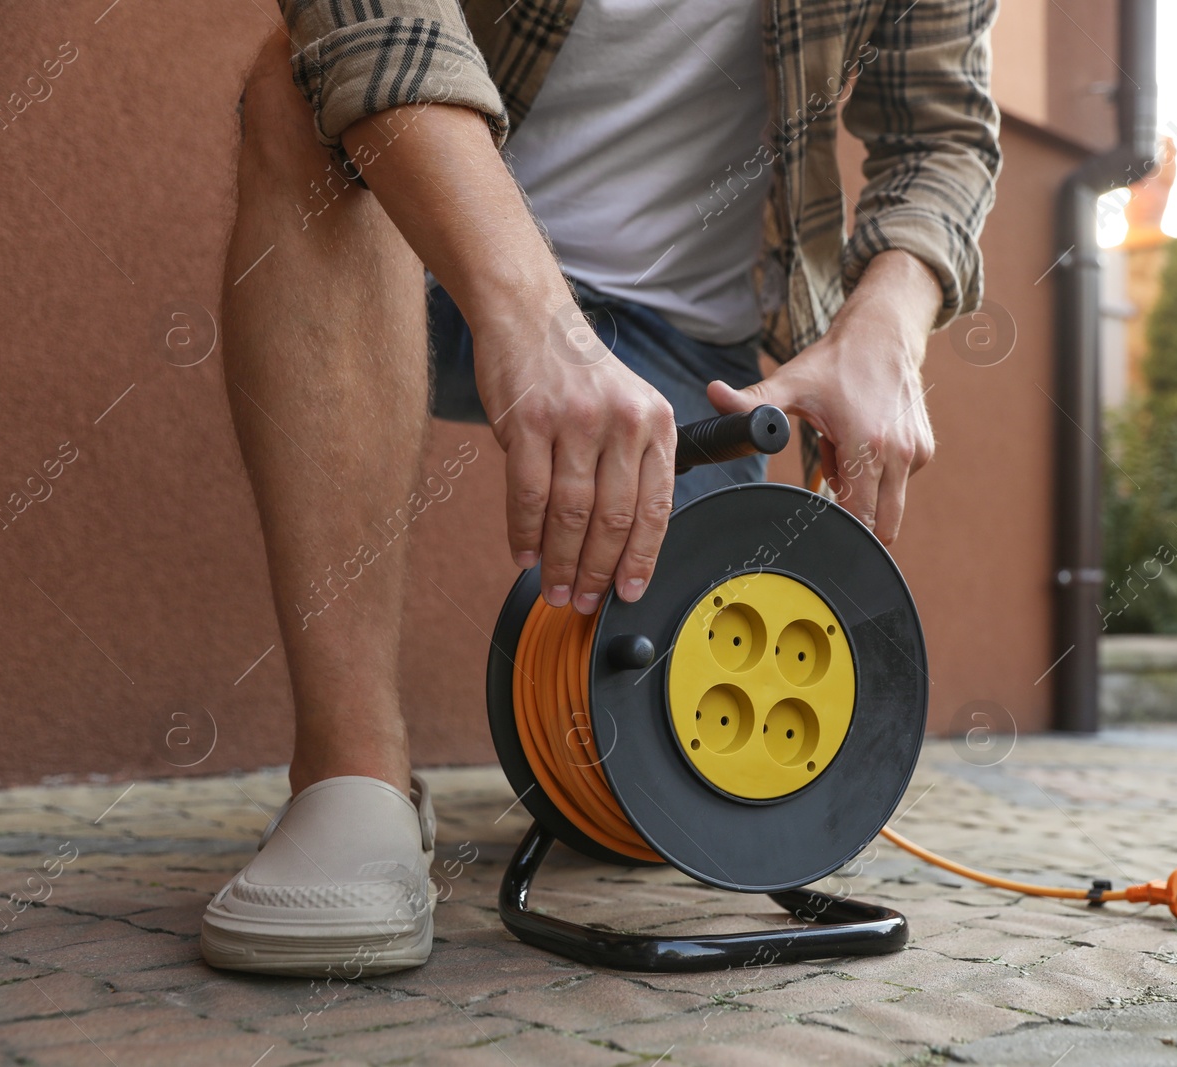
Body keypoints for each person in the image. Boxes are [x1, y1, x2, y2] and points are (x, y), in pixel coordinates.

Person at [201, 0, 999, 975]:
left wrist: (885, 327)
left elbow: (940, 135)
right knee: (296, 85)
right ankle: (351, 775)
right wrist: (532, 321)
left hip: (689, 344)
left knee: (644, 755)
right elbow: (360, 18)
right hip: (431, 229)